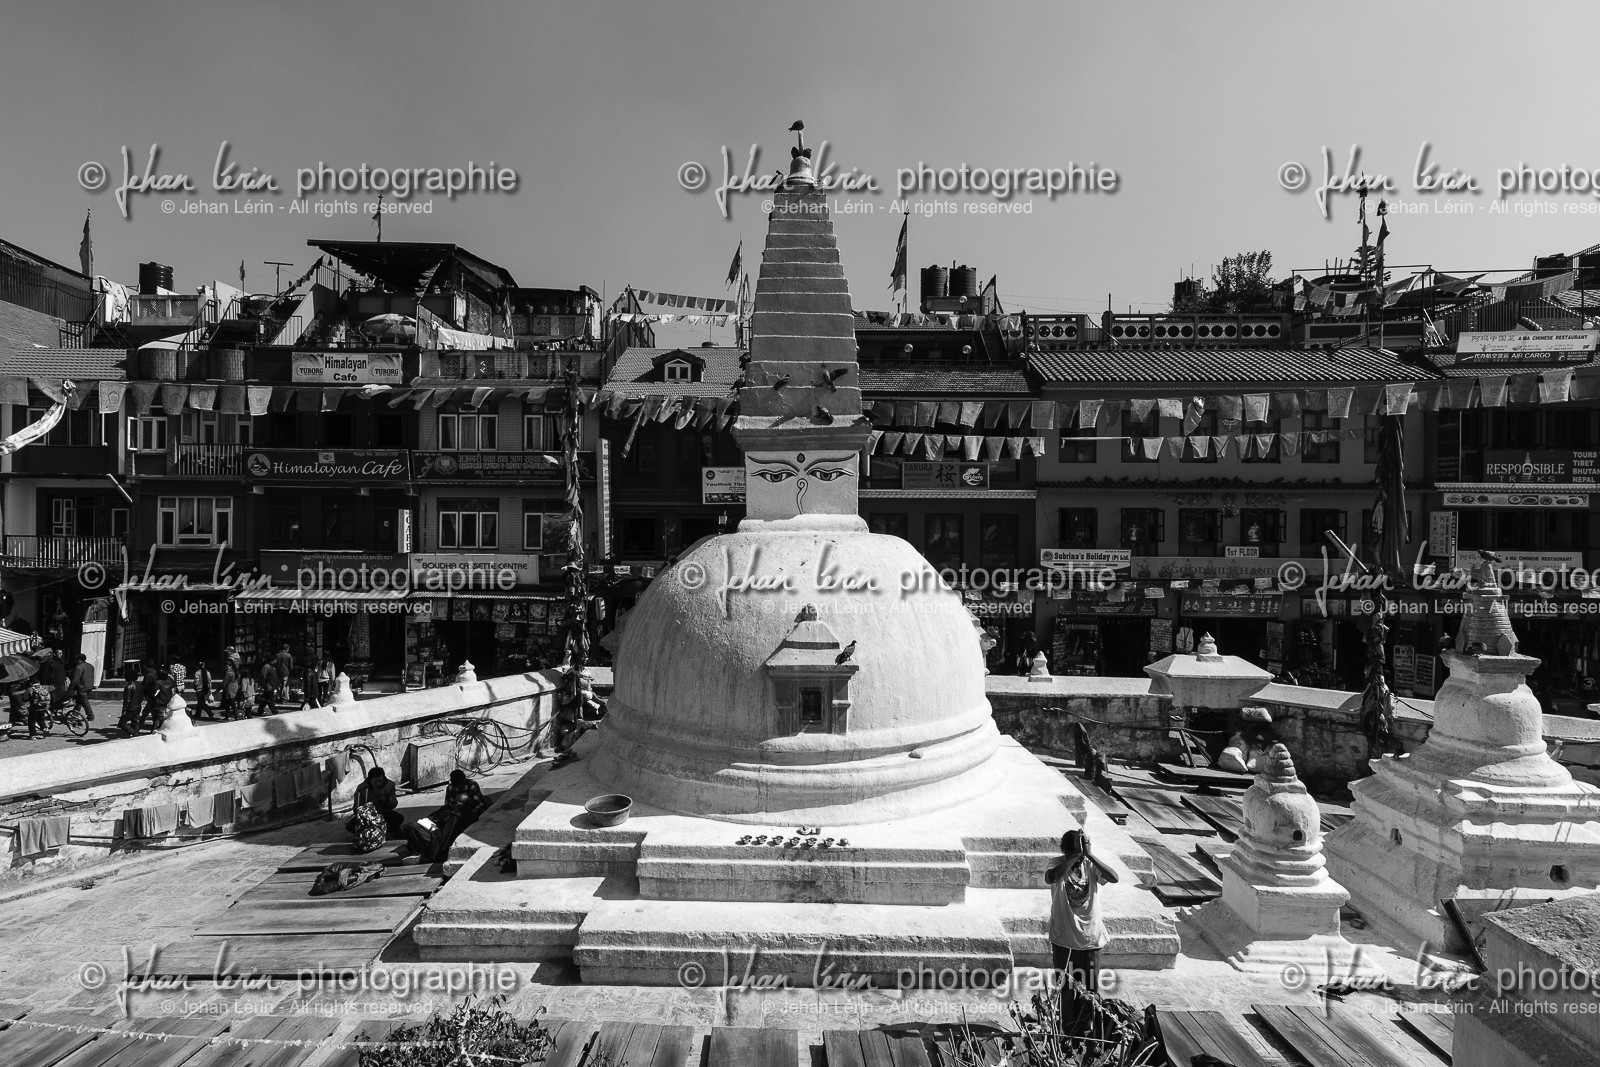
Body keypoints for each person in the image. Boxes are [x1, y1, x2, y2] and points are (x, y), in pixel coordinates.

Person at [1046, 829, 1118, 1037]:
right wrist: (1076, 855)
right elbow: (1051, 877)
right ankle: (1068, 1030)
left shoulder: (1090, 865)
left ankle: (1085, 1030)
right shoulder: (1056, 863)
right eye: (1078, 848)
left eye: (1086, 846)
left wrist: (1088, 855)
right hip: (1064, 938)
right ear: (1065, 850)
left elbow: (1114, 878)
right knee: (1066, 988)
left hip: (1091, 938)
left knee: (1090, 990)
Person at [346, 767, 404, 838]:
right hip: (368, 816)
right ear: (370, 780)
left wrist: (383, 799)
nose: (378, 784)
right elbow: (357, 808)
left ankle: (384, 832)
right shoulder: (362, 788)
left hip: (384, 814)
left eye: (381, 781)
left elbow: (394, 804)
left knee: (398, 818)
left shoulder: (390, 785)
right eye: (375, 782)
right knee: (351, 825)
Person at [69, 653, 96, 723]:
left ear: (78, 660)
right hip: (89, 686)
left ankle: (90, 715)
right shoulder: (90, 666)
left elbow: (75, 679)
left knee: (84, 701)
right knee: (79, 701)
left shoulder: (79, 667)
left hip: (82, 687)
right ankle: (75, 713)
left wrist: (71, 688)